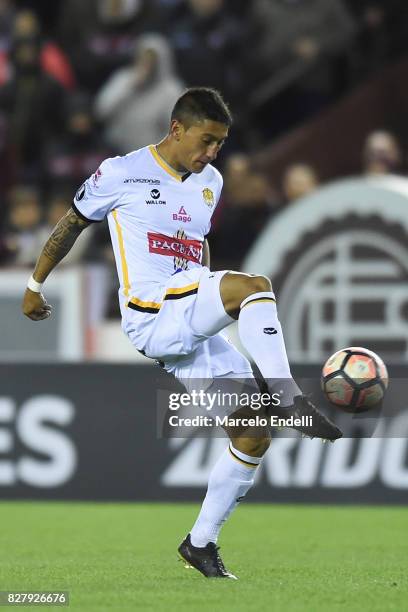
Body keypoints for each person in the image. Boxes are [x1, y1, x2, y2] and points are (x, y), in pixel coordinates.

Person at [22, 88, 342, 579]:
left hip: (185, 319)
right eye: (207, 140)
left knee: (253, 435)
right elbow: (71, 224)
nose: (213, 153)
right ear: (177, 129)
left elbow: (197, 249)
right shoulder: (121, 172)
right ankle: (290, 397)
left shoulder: (209, 181)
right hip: (149, 309)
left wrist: (209, 300)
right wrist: (34, 285)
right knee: (255, 288)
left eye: (220, 144)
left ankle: (200, 544)